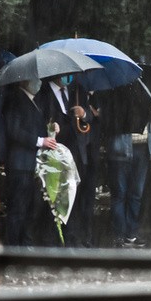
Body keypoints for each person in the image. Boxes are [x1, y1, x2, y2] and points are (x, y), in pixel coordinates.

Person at [37, 75, 97, 246]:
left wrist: (83, 113)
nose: (68, 76)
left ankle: (72, 238)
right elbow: (38, 119)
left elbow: (89, 119)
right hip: (54, 154)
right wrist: (50, 128)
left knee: (74, 195)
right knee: (52, 196)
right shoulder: (43, 92)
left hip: (76, 153)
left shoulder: (77, 90)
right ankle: (51, 239)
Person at [96, 82, 151, 248]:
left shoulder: (144, 91)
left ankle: (131, 234)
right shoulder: (116, 91)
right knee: (119, 194)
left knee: (136, 194)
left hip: (142, 148)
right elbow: (108, 119)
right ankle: (119, 235)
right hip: (120, 149)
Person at [0, 79, 58, 246]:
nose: (38, 82)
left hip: (31, 164)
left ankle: (25, 243)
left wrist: (51, 128)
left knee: (29, 208)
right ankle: (13, 246)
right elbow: (14, 130)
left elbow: (34, 127)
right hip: (19, 164)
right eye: (34, 78)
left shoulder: (34, 101)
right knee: (17, 208)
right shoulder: (15, 99)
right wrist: (40, 141)